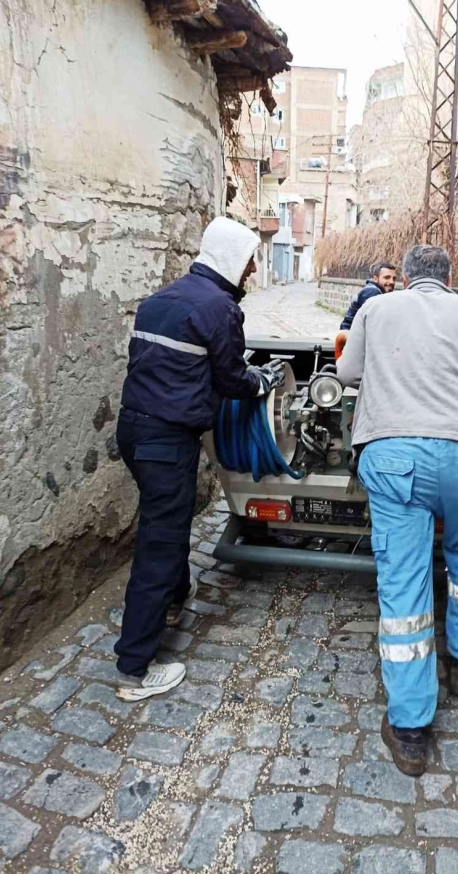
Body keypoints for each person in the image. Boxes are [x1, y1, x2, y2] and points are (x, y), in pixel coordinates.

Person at [337, 245, 458, 775]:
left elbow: (349, 372)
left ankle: (411, 731)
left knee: (404, 583)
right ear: (451, 276)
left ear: (405, 276)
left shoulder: (376, 308)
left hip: (394, 456)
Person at [114, 216, 284, 702]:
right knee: (160, 542)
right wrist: (263, 381)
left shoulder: (159, 300)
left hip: (134, 430)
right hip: (168, 441)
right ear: (232, 258)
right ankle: (134, 667)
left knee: (164, 520)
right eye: (250, 258)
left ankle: (173, 599)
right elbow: (232, 379)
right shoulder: (219, 309)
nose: (252, 269)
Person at [339, 261, 397, 330]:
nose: (391, 282)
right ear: (375, 278)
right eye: (387, 277)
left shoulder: (374, 290)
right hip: (350, 335)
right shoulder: (372, 292)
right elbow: (374, 324)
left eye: (394, 278)